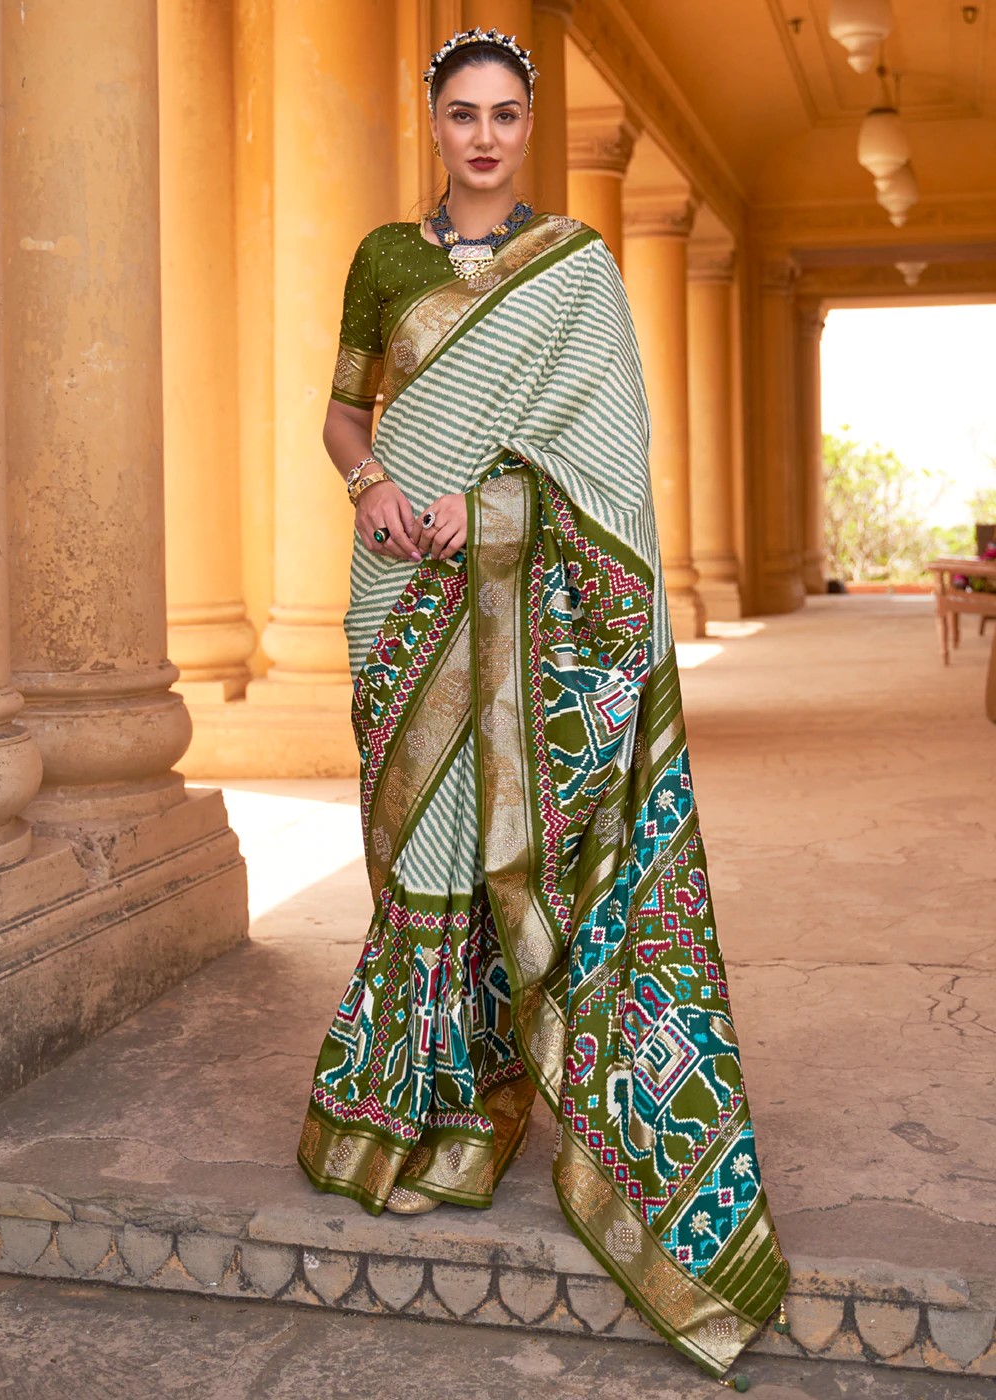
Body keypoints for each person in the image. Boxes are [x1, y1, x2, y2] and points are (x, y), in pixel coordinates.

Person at [296, 25, 789, 1391]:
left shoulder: (576, 272)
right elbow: (344, 414)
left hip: (513, 587)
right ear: (434, 120)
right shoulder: (383, 262)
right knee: (412, 852)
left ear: (528, 126)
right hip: (396, 591)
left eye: (510, 114)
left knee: (492, 837)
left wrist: (494, 509)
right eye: (464, 113)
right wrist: (374, 486)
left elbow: (610, 456)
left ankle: (491, 1097)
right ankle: (405, 1097)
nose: (487, 137)